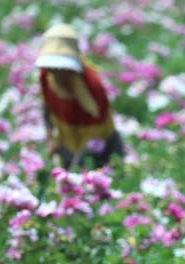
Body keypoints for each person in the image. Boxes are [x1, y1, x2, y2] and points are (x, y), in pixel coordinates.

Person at [34, 24, 123, 170]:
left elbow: (97, 132)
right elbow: (47, 109)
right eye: (52, 68)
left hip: (99, 145)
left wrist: (76, 167)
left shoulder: (92, 86)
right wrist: (50, 139)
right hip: (67, 140)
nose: (56, 74)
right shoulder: (46, 76)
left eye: (61, 69)